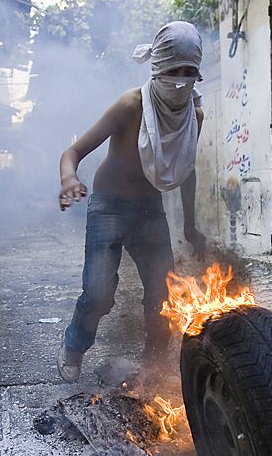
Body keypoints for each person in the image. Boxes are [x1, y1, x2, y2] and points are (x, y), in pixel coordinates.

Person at [56, 21, 208, 383]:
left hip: (149, 211)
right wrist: (68, 179)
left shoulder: (194, 116)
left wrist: (189, 225)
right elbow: (73, 151)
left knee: (162, 295)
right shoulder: (131, 105)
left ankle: (153, 365)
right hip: (108, 205)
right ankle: (73, 347)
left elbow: (187, 169)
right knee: (98, 294)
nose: (181, 81)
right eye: (174, 71)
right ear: (157, 68)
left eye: (190, 73)